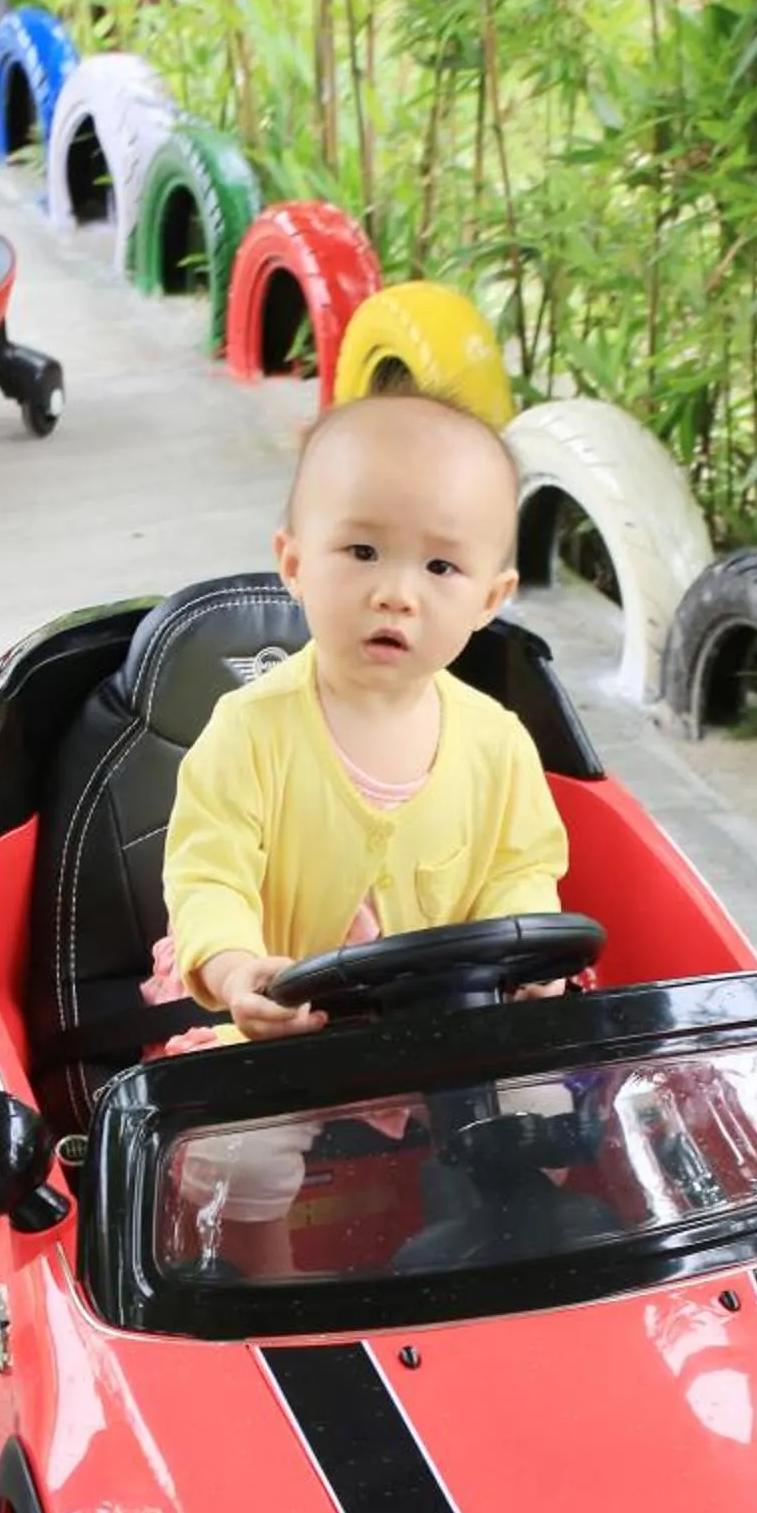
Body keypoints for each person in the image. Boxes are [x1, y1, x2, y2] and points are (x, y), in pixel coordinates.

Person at [143, 384, 572, 1266]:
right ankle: (268, 1284)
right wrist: (235, 970)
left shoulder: (497, 743)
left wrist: (531, 971)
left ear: (493, 597)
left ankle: (502, 1253)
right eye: (363, 550)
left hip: (452, 1022)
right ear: (293, 562)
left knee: (548, 1113)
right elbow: (207, 877)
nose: (396, 595)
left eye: (440, 569)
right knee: (234, 1148)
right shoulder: (250, 731)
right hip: (280, 1018)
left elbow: (522, 874)